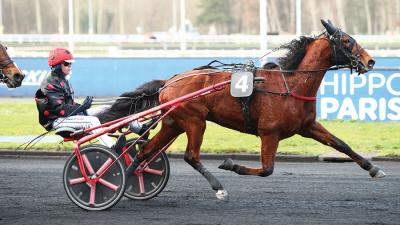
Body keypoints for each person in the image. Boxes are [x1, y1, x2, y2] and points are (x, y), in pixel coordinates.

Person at [34, 48, 151, 150]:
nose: (69, 66)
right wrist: (82, 107)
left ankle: (141, 129)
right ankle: (111, 147)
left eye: (70, 64)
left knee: (111, 108)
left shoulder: (63, 80)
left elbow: (69, 104)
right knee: (92, 121)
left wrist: (83, 106)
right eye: (66, 64)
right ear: (57, 65)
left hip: (70, 116)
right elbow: (60, 110)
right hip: (58, 120)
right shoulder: (49, 84)